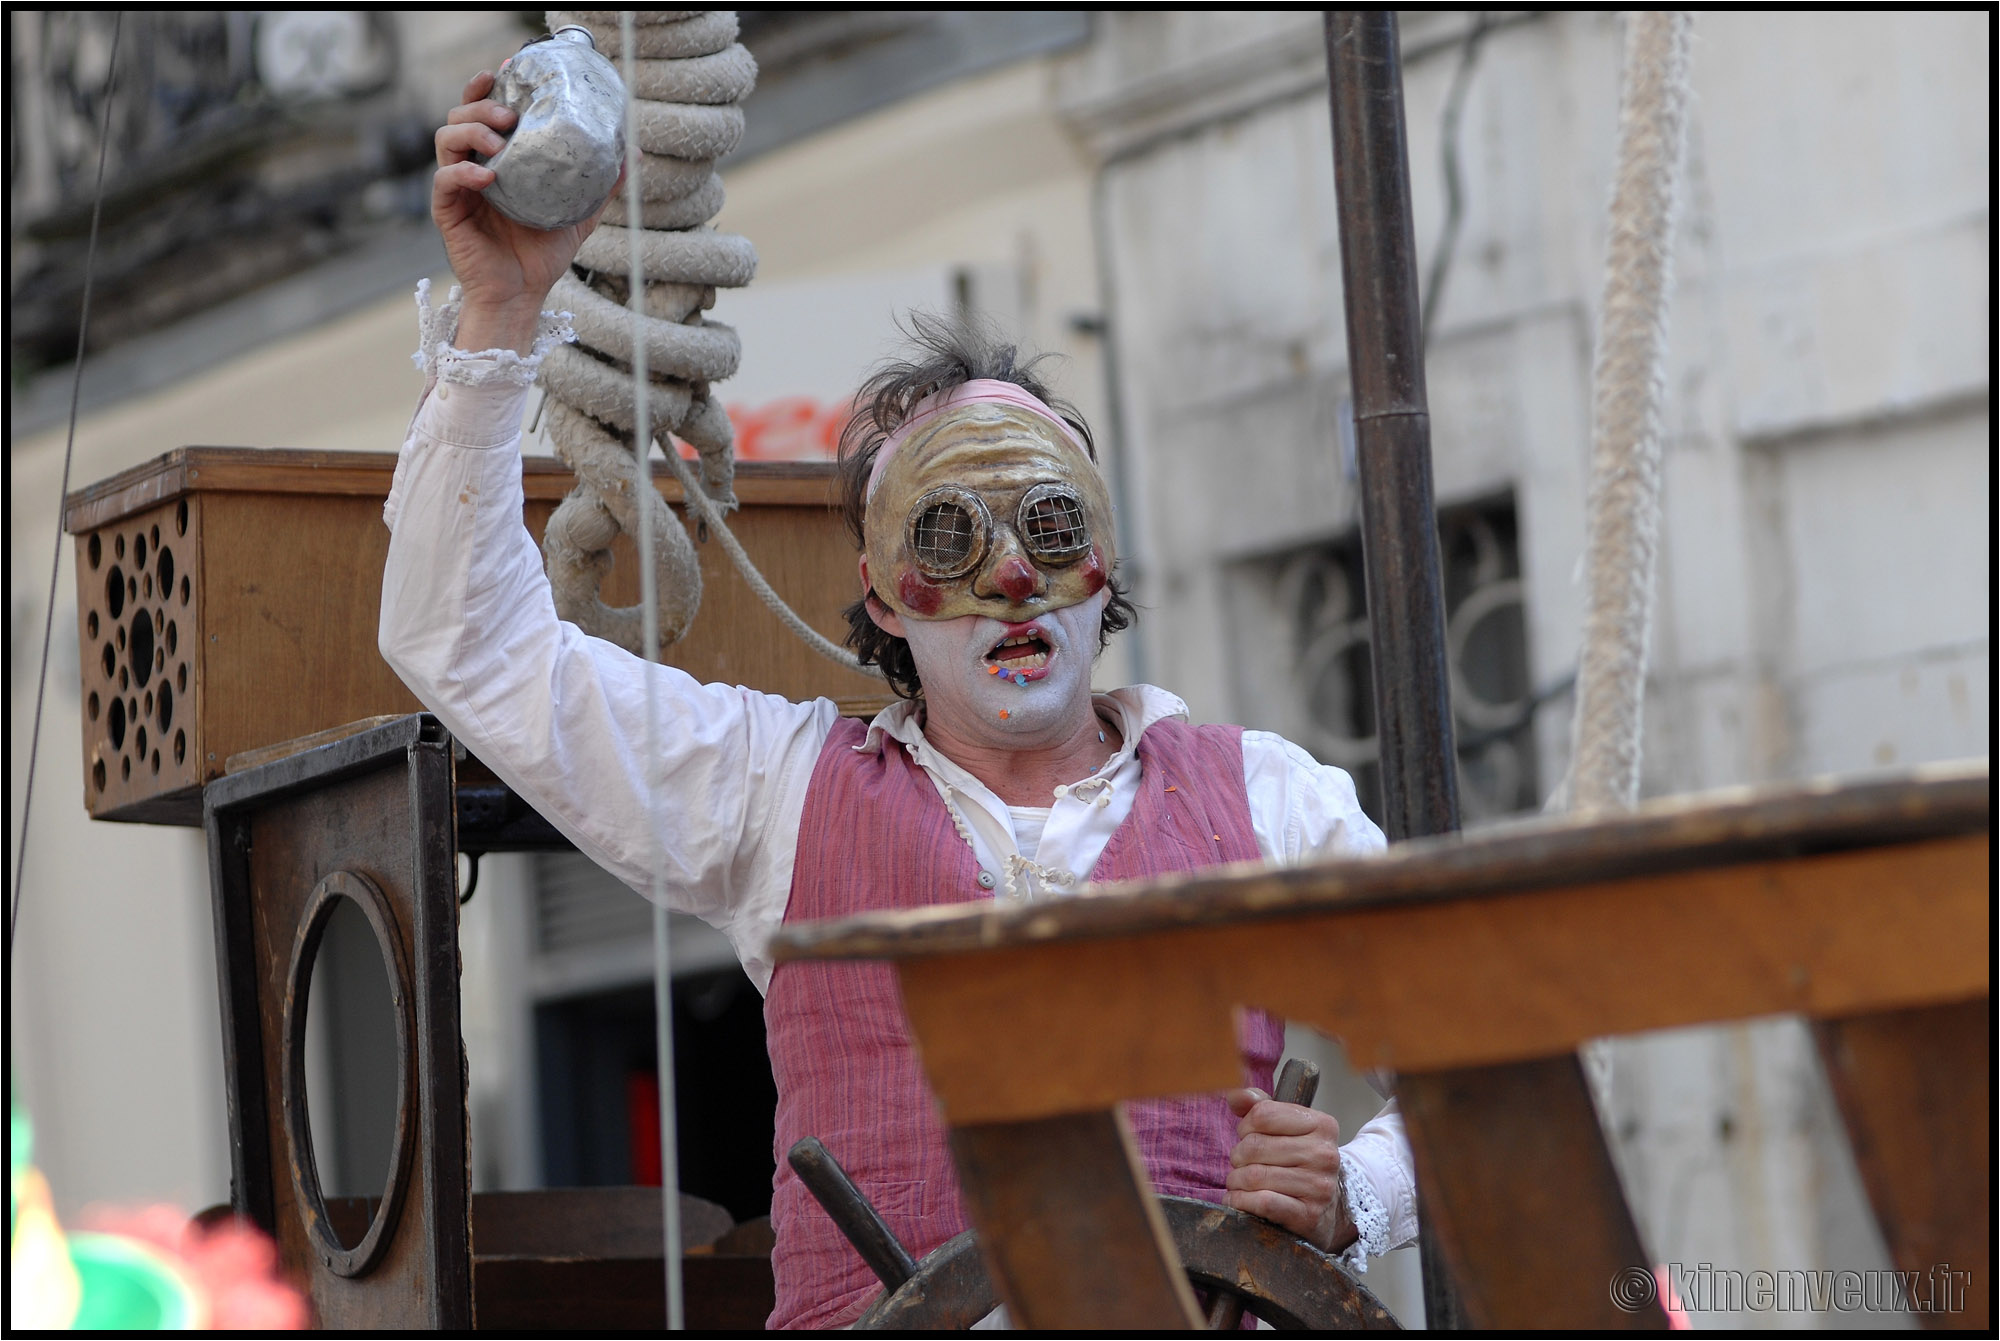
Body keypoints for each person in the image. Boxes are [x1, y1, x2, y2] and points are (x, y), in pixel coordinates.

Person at [383, 72, 1418, 1329]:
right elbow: (467, 643)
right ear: (878, 593)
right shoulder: (772, 793)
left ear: (1108, 563)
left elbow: (1506, 1048)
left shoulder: (1270, 803)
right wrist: (501, 310)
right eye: (948, 534)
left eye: (1048, 521)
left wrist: (1353, 1190)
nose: (1013, 577)